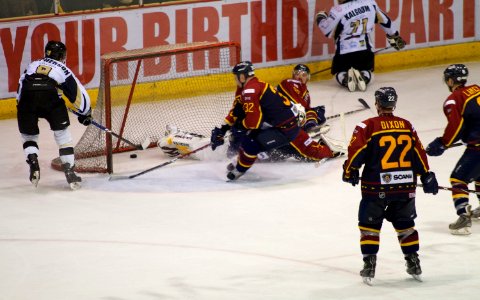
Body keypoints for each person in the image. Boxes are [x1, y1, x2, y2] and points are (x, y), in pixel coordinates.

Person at [342, 87, 438, 285]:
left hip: (376, 187)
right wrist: (426, 174)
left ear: (377, 103)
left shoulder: (366, 126)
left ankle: (369, 265)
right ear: (394, 104)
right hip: (405, 186)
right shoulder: (406, 125)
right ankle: (414, 262)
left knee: (369, 226)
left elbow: (356, 151)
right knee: (406, 225)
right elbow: (418, 152)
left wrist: (350, 171)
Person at [16, 40, 92, 190]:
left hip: (27, 98)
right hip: (50, 98)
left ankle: (33, 162)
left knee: (29, 136)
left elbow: (21, 85)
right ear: (63, 55)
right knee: (63, 135)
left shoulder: (33, 64)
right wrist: (85, 113)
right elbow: (78, 94)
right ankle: (69, 171)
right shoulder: (62, 68)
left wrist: (22, 107)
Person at [210, 61, 301, 180]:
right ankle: (243, 159)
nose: (235, 79)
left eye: (236, 76)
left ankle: (240, 170)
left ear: (242, 76)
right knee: (245, 137)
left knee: (250, 142)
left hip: (285, 130)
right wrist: (224, 128)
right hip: (279, 125)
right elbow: (237, 110)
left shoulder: (250, 91)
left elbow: (254, 122)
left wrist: (237, 127)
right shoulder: (253, 85)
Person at [426, 64, 480, 235]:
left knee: (458, 179)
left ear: (450, 80)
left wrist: (442, 143)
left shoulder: (454, 99)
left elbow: (456, 127)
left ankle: (463, 218)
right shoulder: (477, 89)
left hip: (478, 148)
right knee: (479, 175)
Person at [315, 0, 406, 92]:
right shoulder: (370, 3)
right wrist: (394, 36)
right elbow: (386, 22)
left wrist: (320, 17)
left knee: (339, 72)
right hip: (365, 49)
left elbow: (327, 30)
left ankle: (344, 78)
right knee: (367, 69)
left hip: (344, 51)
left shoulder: (338, 10)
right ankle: (365, 76)